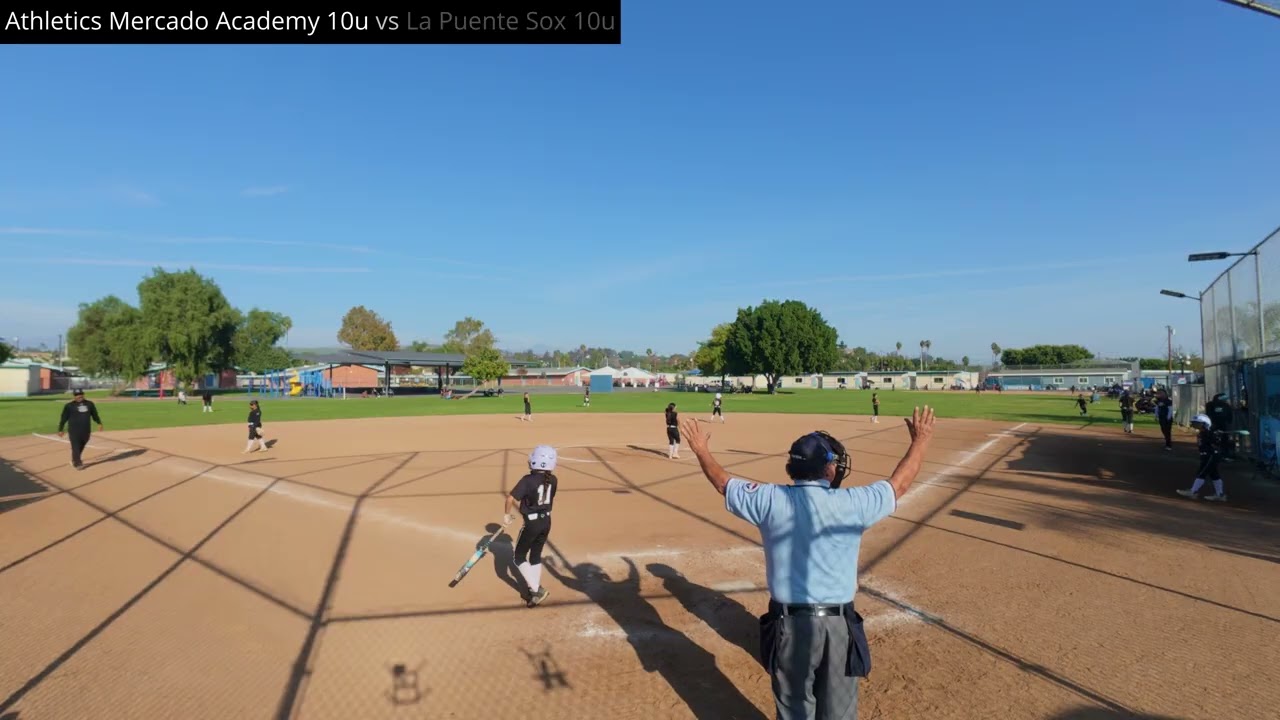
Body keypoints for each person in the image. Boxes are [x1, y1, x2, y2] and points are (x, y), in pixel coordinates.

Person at [680, 407, 936, 719]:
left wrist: (701, 449)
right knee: (838, 713)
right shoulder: (852, 503)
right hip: (840, 625)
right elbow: (899, 484)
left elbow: (723, 483)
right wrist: (920, 441)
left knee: (795, 711)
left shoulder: (770, 499)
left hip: (790, 626)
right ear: (828, 469)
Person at [502, 445, 558, 607]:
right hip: (546, 522)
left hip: (532, 524)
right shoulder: (553, 479)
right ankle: (535, 592)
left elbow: (510, 499)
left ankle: (536, 589)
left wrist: (506, 516)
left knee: (518, 557)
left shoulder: (528, 480)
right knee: (535, 555)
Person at [1177, 414, 1227, 502]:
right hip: (1206, 456)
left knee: (1201, 473)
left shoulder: (1210, 433)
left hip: (1211, 456)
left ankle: (1193, 492)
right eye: (1195, 424)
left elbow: (1217, 443)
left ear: (1206, 424)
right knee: (1214, 475)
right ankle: (1220, 494)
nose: (1196, 426)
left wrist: (1216, 435)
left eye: (1198, 424)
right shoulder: (1203, 432)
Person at [57, 389, 103, 470]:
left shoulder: (89, 404)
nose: (79, 396)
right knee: (75, 446)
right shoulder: (69, 406)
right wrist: (60, 429)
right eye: (77, 395)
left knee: (82, 444)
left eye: (81, 394)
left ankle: (74, 459)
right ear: (74, 396)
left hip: (86, 429)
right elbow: (63, 418)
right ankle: (78, 463)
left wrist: (99, 423)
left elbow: (95, 415)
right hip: (74, 430)